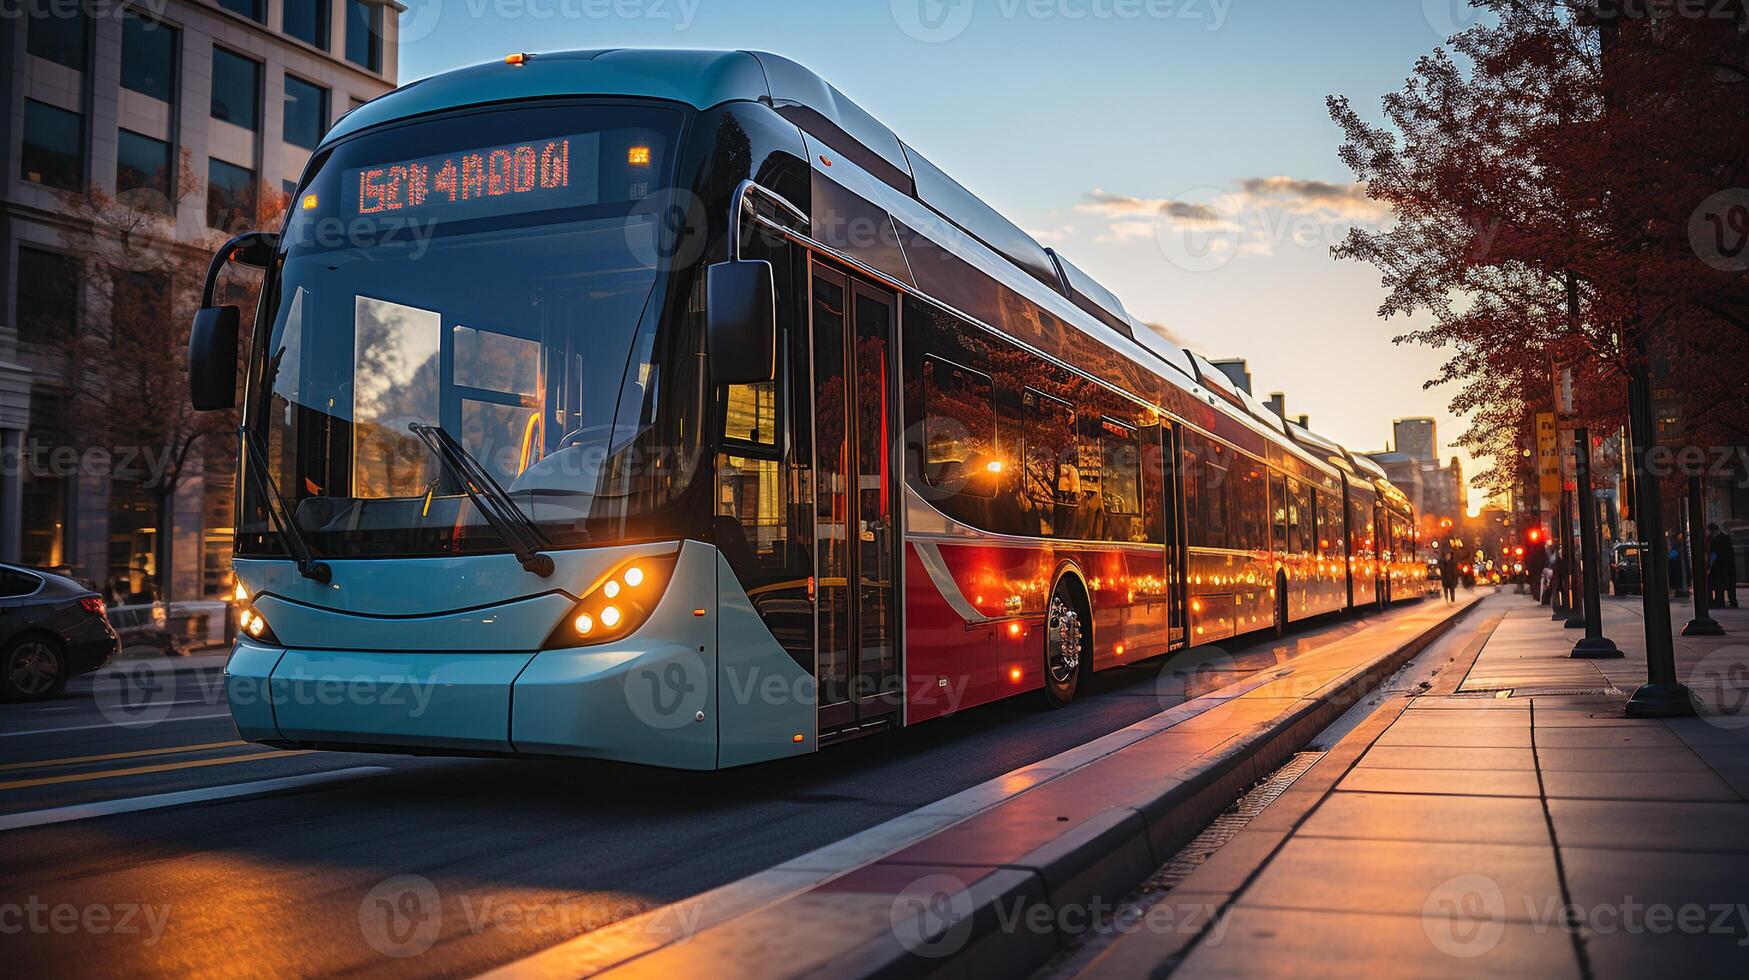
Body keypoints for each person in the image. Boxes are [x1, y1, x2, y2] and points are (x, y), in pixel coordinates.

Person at [1711, 523, 1740, 609]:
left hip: (1720, 566)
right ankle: (1733, 601)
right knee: (1730, 585)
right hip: (1728, 566)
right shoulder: (1725, 538)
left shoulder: (1715, 541)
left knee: (1719, 585)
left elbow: (1714, 554)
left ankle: (1720, 601)